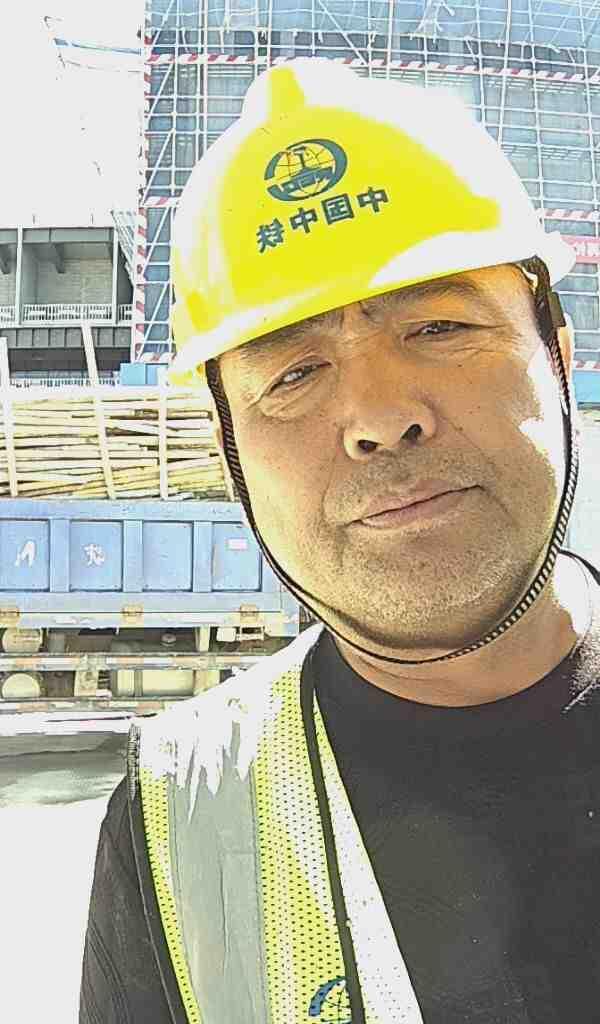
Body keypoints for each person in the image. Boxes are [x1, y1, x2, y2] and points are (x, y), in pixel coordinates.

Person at [79, 59, 600, 1024]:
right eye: (293, 373)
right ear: (230, 450)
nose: (380, 417)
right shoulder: (179, 824)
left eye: (438, 326)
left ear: (559, 362)